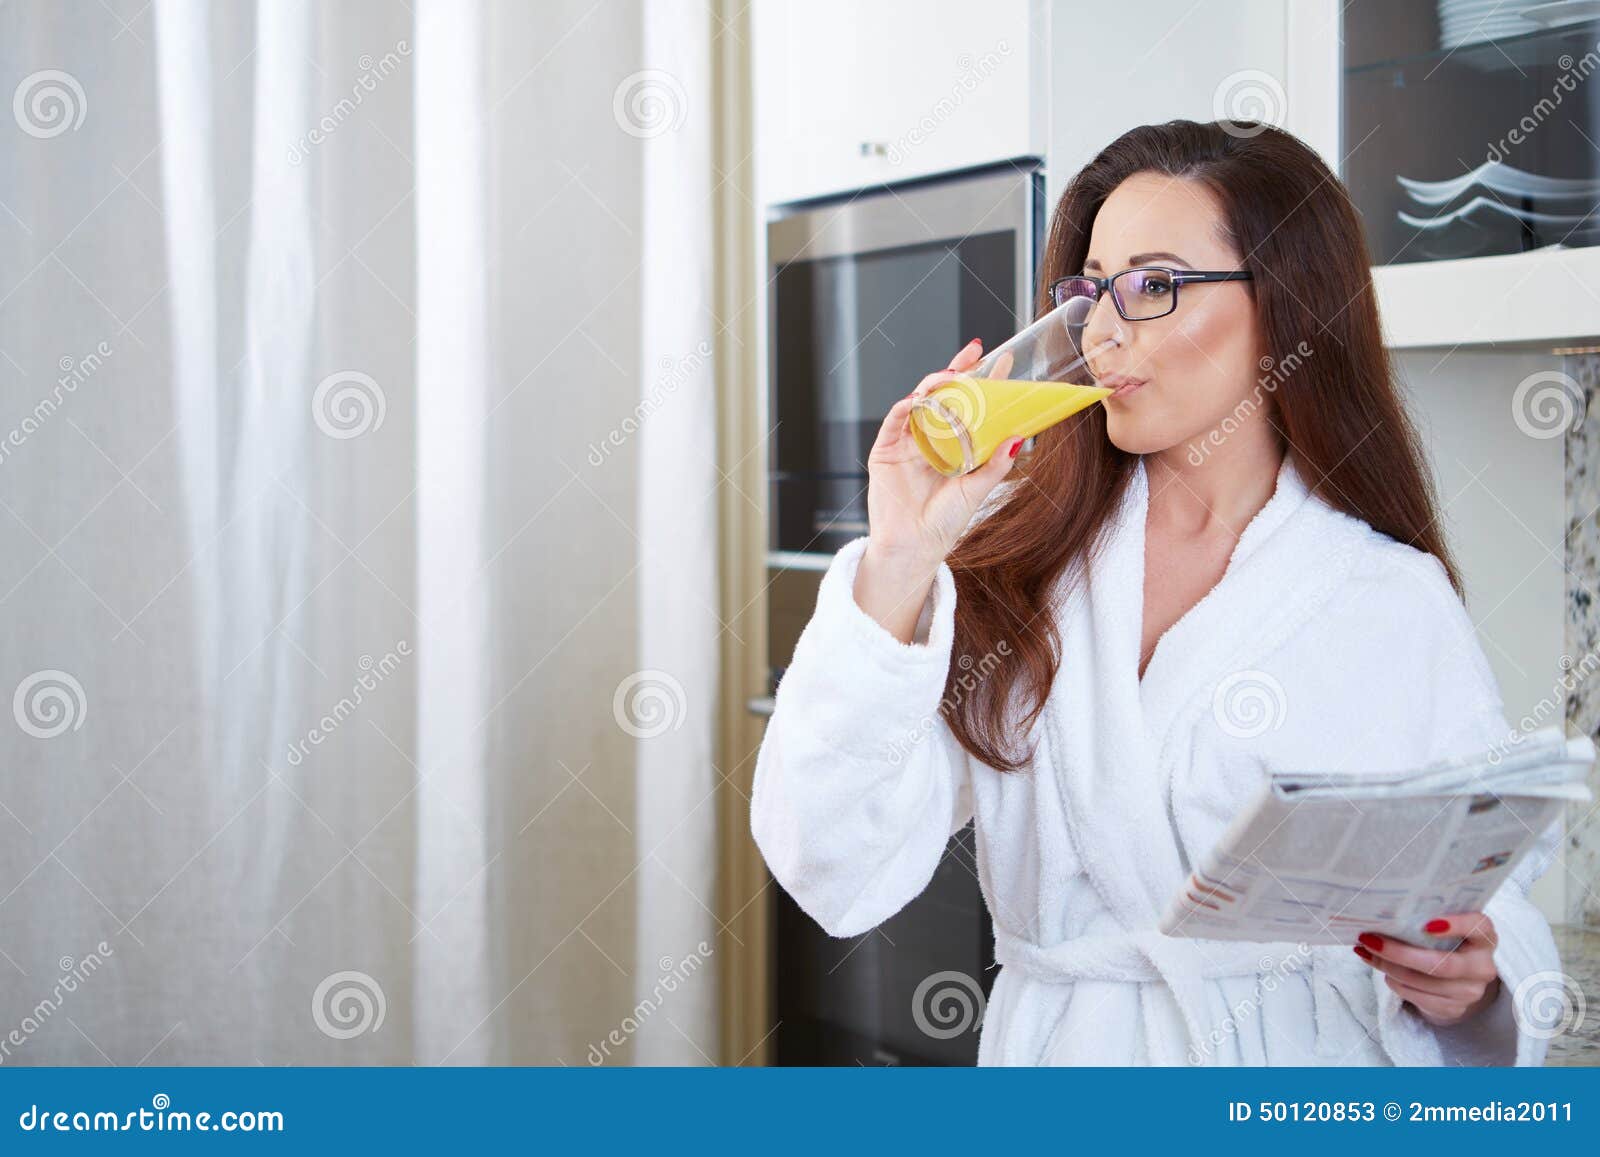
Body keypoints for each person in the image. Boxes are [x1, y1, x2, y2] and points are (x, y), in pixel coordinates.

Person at [749, 120, 1561, 1066]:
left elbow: (1482, 890)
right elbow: (830, 859)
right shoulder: (1019, 565)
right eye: (1093, 288)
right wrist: (899, 556)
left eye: (1154, 285)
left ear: (1286, 307)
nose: (1099, 330)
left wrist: (1471, 986)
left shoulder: (1387, 596)